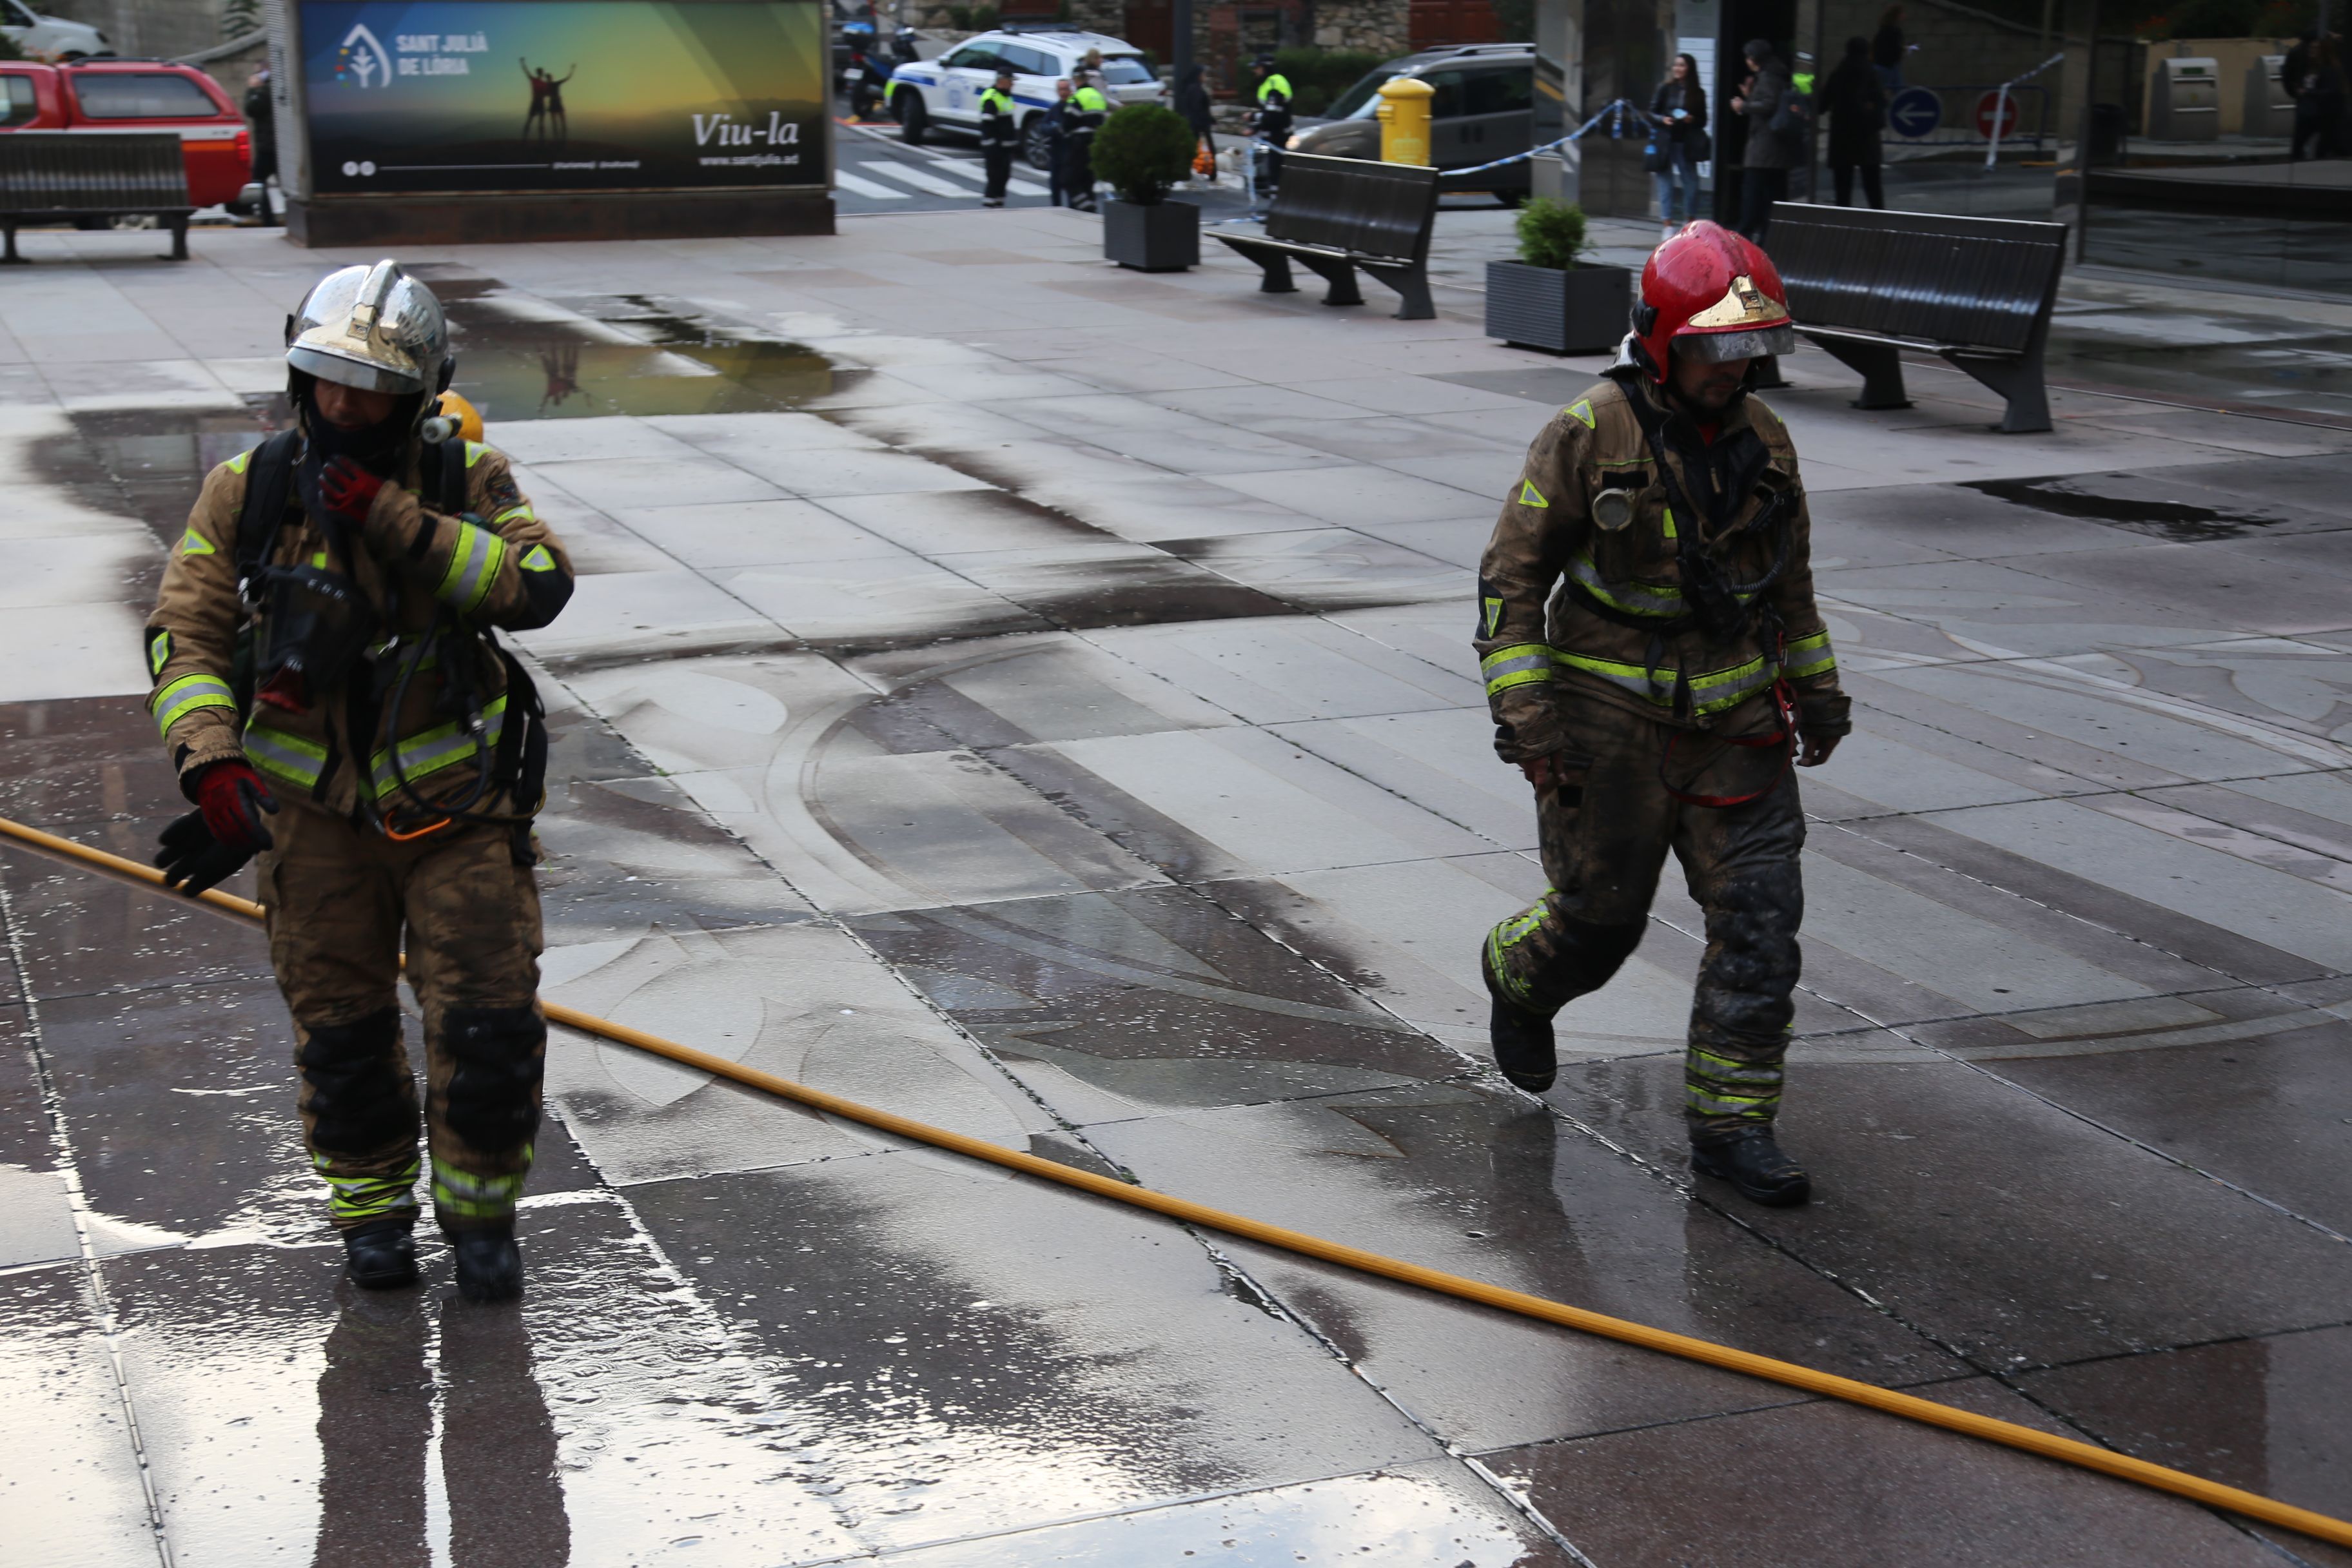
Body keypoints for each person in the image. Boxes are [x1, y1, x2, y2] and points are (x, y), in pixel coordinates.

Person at [143, 259, 576, 1299]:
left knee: (485, 1024)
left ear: (420, 391)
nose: (347, 402)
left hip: (457, 810)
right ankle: (371, 1217)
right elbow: (184, 634)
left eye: (372, 386)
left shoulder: (463, 476)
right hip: (312, 820)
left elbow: (538, 585)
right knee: (340, 1032)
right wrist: (211, 763)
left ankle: (480, 1219)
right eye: (328, 378)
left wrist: (395, 520)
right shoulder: (246, 489)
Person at [1473, 221, 1848, 1208]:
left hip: (1737, 733)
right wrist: (1530, 718)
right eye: (1714, 349)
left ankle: (1734, 1126)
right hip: (1608, 725)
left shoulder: (1766, 442)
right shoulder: (1590, 432)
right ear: (1660, 341)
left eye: (1746, 351)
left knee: (1762, 925)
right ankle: (1521, 977)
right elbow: (1511, 583)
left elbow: (1790, 583)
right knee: (1601, 923)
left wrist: (1816, 689)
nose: (1734, 370)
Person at [1730, 39, 1796, 240]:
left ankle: (1746, 235)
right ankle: (1766, 237)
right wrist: (1750, 97)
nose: (1747, 61)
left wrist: (1743, 106)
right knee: (1769, 197)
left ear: (1754, 59)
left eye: (1749, 57)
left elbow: (1769, 104)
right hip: (1771, 149)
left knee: (1753, 194)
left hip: (1764, 149)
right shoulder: (1773, 75)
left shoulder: (1768, 77)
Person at [1821, 35, 1886, 207]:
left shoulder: (1838, 74)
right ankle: (1879, 224)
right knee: (1873, 187)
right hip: (1867, 136)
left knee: (1843, 189)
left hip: (1842, 137)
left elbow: (1822, 104)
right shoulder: (1872, 73)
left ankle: (1845, 225)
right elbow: (1882, 101)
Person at [1649, 52, 1707, 239]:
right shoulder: (1665, 88)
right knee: (1665, 183)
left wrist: (1692, 119)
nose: (1677, 69)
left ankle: (1689, 222)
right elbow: (1651, 113)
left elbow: (1703, 121)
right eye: (1675, 65)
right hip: (1666, 141)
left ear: (1689, 68)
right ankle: (1667, 224)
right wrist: (1663, 119)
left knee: (1691, 183)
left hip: (1686, 142)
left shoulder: (1698, 93)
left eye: (1681, 65)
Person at [1063, 71, 1109, 211]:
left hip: (1079, 143)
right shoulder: (1098, 96)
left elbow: (1068, 122)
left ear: (1077, 80)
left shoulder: (1077, 97)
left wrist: (1062, 131)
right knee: (1088, 180)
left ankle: (1086, 207)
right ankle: (1091, 206)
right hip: (1095, 142)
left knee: (1069, 180)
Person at [1250, 56, 1294, 197]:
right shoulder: (1269, 83)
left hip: (1279, 135)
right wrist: (1256, 126)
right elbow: (1268, 113)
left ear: (1264, 68)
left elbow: (1273, 116)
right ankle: (1275, 198)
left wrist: (1253, 119)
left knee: (1277, 169)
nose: (1254, 71)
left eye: (1257, 68)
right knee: (1274, 169)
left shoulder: (1274, 85)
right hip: (1275, 135)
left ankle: (1277, 202)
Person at [242, 66, 278, 227]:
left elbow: (251, 109)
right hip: (275, 146)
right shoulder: (274, 88)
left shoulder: (265, 91)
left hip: (269, 147)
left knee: (257, 182)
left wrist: (252, 90)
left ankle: (268, 220)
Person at [978, 66, 1018, 207]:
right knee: (994, 176)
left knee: (1004, 176)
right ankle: (990, 203)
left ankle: (999, 202)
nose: (1013, 84)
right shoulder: (992, 98)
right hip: (995, 147)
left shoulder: (1006, 96)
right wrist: (993, 145)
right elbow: (988, 125)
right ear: (1002, 80)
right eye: (1011, 81)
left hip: (1005, 146)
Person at [1175, 60, 1217, 178]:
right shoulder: (1196, 89)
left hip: (1195, 123)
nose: (1205, 77)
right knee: (1205, 149)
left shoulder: (1192, 88)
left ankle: (1186, 172)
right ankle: (1212, 173)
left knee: (1191, 149)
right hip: (1199, 124)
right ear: (1198, 75)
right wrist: (1205, 122)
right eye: (1204, 74)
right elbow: (1198, 108)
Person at [1044, 77, 1076, 205]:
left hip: (1072, 158)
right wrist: (1053, 129)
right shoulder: (1054, 109)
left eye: (1066, 89)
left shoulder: (1074, 107)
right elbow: (1043, 126)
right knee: (1055, 190)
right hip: (1056, 157)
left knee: (1072, 193)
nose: (1063, 92)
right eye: (1061, 89)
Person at [1871, 5, 1906, 90]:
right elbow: (1895, 49)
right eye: (1902, 14)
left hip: (1880, 64)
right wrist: (1903, 50)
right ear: (1897, 16)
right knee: (1898, 90)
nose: (1904, 16)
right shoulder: (1896, 31)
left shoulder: (1883, 30)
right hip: (1889, 66)